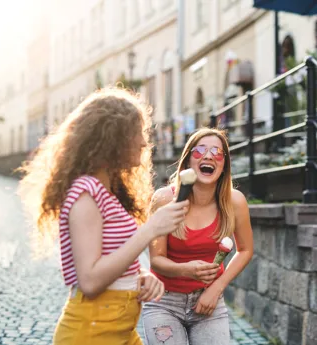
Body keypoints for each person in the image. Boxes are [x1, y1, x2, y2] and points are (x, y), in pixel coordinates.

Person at [18, 87, 189, 345]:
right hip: (91, 332)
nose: (143, 142)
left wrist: (140, 275)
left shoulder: (106, 192)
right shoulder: (85, 193)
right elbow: (89, 280)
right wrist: (150, 230)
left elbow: (111, 255)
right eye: (136, 133)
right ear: (112, 139)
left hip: (119, 330)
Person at [142, 128, 254, 345]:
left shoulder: (235, 202)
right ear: (186, 164)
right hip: (163, 301)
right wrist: (186, 269)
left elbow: (246, 250)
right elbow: (156, 260)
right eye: (200, 150)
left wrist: (216, 288)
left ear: (223, 166)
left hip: (208, 302)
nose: (209, 155)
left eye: (217, 152)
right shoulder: (165, 199)